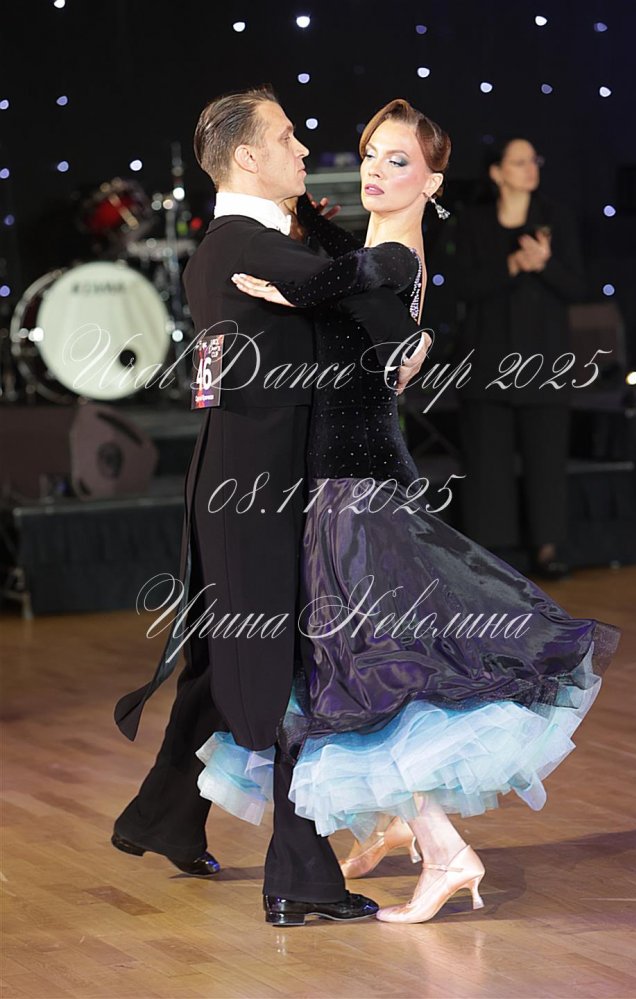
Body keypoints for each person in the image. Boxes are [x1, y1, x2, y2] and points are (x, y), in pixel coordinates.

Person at [196, 99, 621, 924]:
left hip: (356, 491)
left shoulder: (391, 254)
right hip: (345, 483)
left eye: (398, 161)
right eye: (370, 155)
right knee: (360, 668)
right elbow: (338, 282)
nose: (375, 170)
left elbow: (330, 283)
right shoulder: (368, 248)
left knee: (375, 669)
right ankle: (402, 827)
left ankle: (445, 849)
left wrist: (283, 285)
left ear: (432, 183)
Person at [112, 86, 428, 926]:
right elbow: (353, 280)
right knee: (290, 671)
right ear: (248, 156)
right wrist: (400, 266)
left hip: (252, 483)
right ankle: (300, 877)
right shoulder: (245, 246)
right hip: (256, 491)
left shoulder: (251, 243)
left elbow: (345, 295)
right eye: (287, 137)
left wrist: (403, 331)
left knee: (232, 665)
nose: (303, 149)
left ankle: (164, 815)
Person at [454, 138, 586, 578]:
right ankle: (491, 554)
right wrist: (511, 267)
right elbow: (461, 285)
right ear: (497, 172)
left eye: (534, 160)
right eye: (520, 161)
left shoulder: (556, 218)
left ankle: (548, 548)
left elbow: (578, 287)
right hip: (487, 359)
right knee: (487, 461)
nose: (531, 168)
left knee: (546, 458)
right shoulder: (473, 221)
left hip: (544, 360)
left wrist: (544, 264)